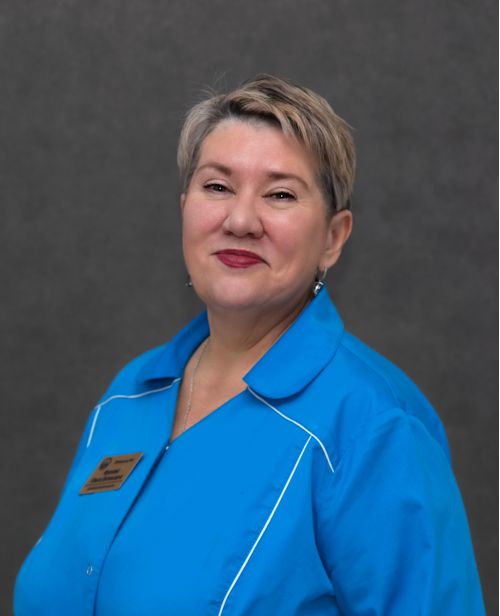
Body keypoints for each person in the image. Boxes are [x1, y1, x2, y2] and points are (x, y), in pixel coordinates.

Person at [14, 74, 485, 615]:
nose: (239, 220)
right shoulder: (129, 396)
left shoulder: (372, 427)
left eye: (280, 194)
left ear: (333, 238)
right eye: (217, 187)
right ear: (185, 207)